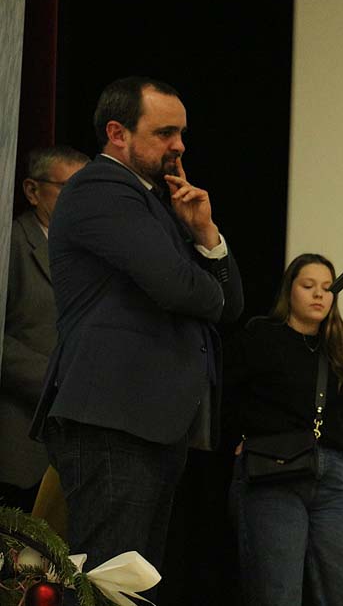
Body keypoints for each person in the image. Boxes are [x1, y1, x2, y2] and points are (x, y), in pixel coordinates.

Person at [32, 77, 244, 590]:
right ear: (117, 133)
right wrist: (204, 289)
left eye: (182, 133)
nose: (180, 146)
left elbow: (231, 305)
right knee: (109, 581)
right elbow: (174, 287)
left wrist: (205, 233)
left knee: (132, 584)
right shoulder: (101, 188)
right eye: (165, 132)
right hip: (112, 418)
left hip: (147, 423)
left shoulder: (159, 205)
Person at [226, 253, 343, 606]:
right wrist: (239, 440)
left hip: (331, 477)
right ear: (290, 290)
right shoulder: (262, 336)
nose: (319, 294)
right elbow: (227, 392)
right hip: (275, 472)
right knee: (279, 593)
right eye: (308, 285)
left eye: (327, 288)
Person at [1, 146, 87, 518]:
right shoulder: (11, 245)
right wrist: (56, 380)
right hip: (22, 440)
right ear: (32, 191)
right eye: (69, 188)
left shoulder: (96, 251)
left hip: (80, 447)